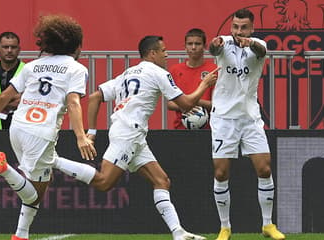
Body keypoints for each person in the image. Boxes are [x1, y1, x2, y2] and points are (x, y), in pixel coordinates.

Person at [0, 15, 97, 240]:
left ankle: (21, 234)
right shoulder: (76, 69)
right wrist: (81, 136)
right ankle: (4, 168)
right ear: (77, 45)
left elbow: (3, 97)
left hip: (18, 128)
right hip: (41, 132)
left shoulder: (32, 66)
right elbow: (73, 102)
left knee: (44, 179)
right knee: (33, 197)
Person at [86, 36, 219, 240]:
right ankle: (56, 162)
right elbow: (185, 104)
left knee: (162, 181)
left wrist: (92, 132)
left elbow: (95, 97)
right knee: (104, 182)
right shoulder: (159, 73)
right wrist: (204, 84)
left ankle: (178, 233)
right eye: (163, 50)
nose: (167, 54)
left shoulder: (127, 73)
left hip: (134, 135)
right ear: (152, 53)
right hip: (128, 133)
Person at [208, 9, 285, 240]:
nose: (238, 31)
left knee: (264, 168)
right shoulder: (224, 43)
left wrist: (249, 42)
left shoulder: (258, 45)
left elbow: (260, 50)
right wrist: (216, 43)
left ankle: (268, 225)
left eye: (243, 27)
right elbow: (213, 48)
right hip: (223, 118)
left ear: (251, 28)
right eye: (235, 26)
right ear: (231, 26)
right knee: (221, 173)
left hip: (250, 118)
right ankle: (225, 227)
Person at [167, 28, 217, 129]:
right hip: (180, 128)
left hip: (208, 129)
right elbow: (170, 104)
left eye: (198, 44)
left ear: (205, 46)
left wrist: (191, 102)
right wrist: (186, 106)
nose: (193, 47)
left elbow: (218, 105)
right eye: (190, 44)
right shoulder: (175, 70)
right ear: (185, 47)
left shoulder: (213, 70)